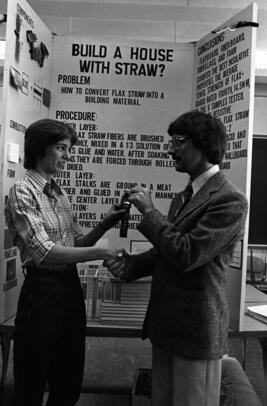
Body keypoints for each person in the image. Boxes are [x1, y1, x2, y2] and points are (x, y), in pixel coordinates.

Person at [106, 110, 248, 406]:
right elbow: (165, 253)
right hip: (166, 326)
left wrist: (148, 212)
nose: (171, 149)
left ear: (203, 144)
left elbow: (187, 254)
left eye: (179, 141)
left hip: (196, 331)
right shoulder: (184, 197)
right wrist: (130, 266)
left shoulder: (230, 200)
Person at [5, 118, 125, 406]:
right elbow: (45, 252)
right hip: (42, 291)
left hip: (69, 289)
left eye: (68, 148)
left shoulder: (59, 192)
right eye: (62, 148)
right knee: (32, 379)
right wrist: (103, 254)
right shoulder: (22, 191)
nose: (68, 156)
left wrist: (105, 225)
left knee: (69, 377)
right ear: (40, 149)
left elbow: (75, 245)